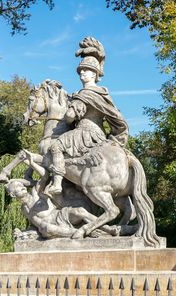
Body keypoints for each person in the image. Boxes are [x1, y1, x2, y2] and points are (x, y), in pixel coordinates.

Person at [46, 37, 129, 195]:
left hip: (85, 133)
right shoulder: (103, 94)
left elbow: (70, 116)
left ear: (94, 74)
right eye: (81, 70)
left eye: (86, 70)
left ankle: (56, 183)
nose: (82, 73)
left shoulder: (86, 94)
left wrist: (67, 114)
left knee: (55, 146)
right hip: (99, 135)